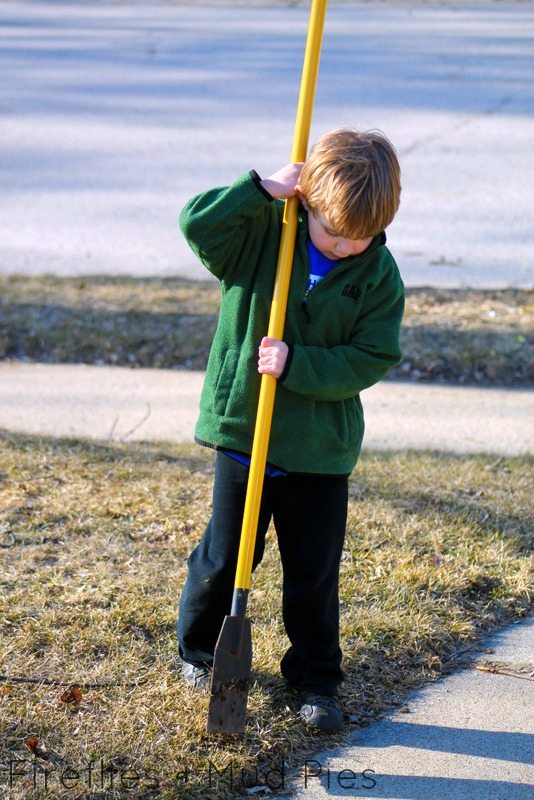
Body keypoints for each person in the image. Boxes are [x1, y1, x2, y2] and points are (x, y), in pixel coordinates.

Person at [176, 128, 404, 734]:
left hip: (318, 450)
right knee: (226, 556)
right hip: (246, 432)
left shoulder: (378, 274)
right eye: (334, 232)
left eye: (363, 237)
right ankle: (199, 653)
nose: (347, 246)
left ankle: (315, 680)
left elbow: (374, 354)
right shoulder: (262, 237)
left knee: (313, 571)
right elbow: (199, 225)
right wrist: (261, 189)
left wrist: (299, 365)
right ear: (306, 203)